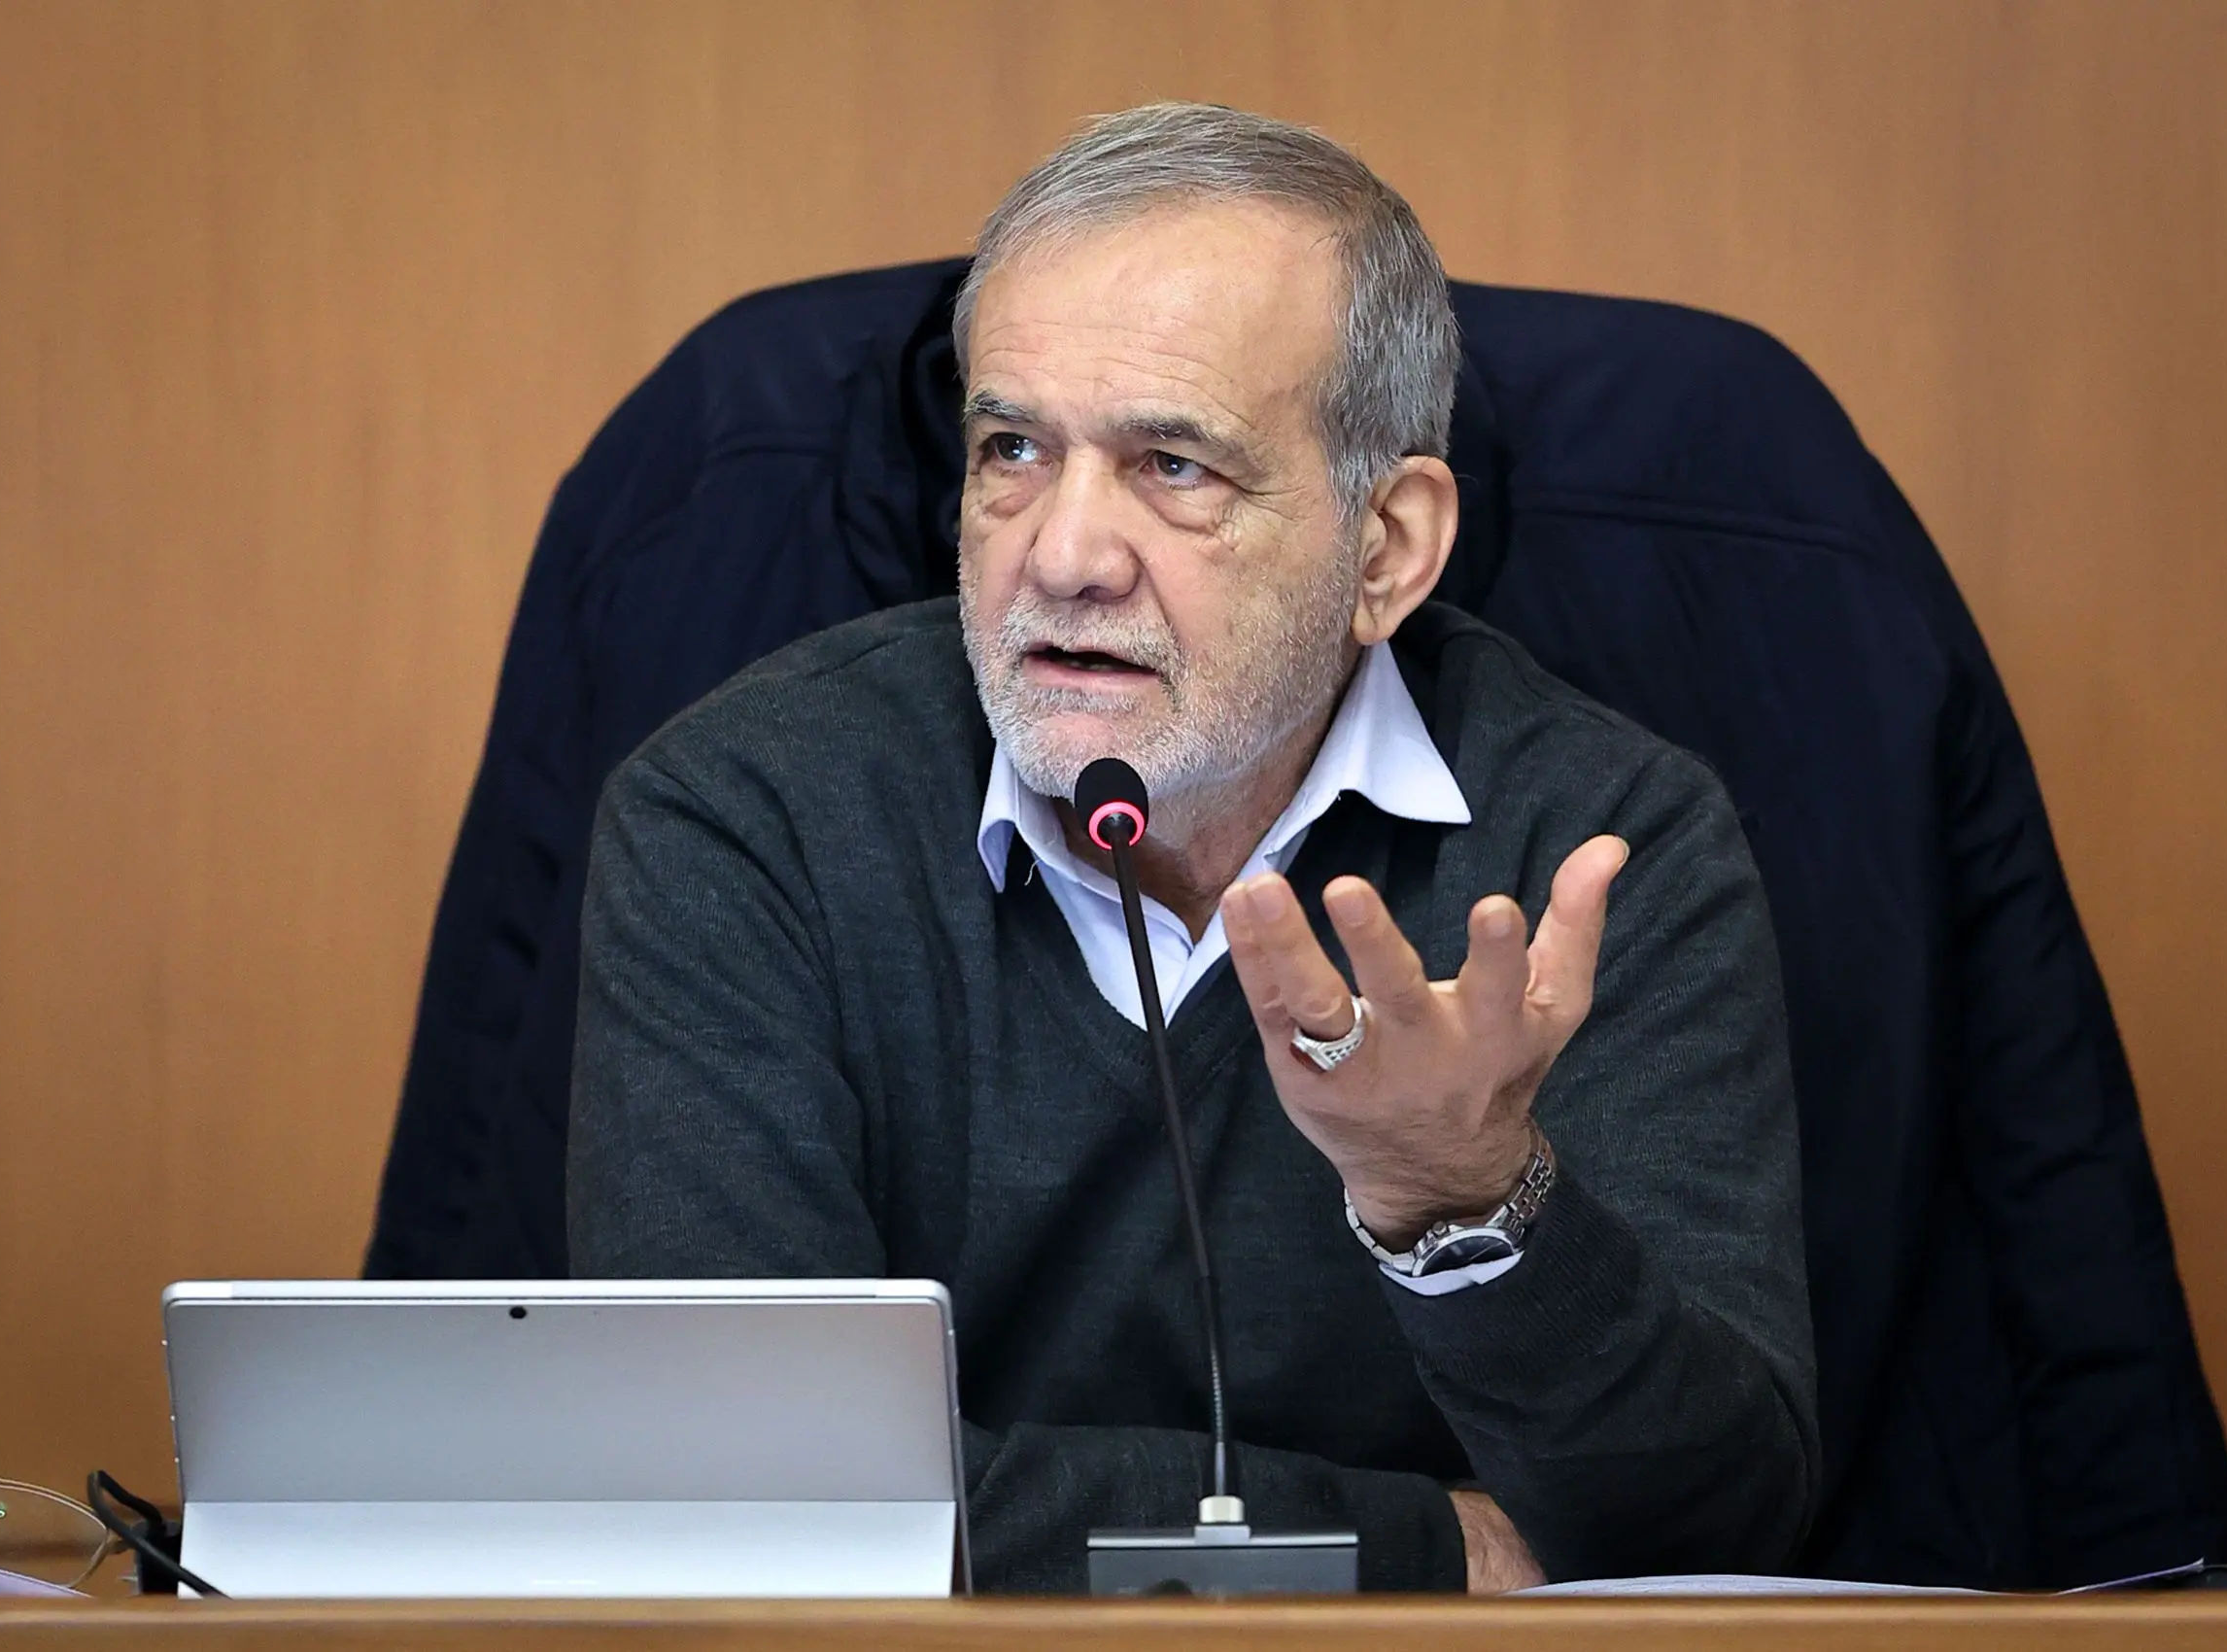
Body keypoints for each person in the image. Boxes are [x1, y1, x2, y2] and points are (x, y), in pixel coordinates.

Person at [567, 102, 1816, 1594]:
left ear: (1386, 547)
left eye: (1172, 466)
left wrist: (1464, 1201)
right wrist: (1432, 1543)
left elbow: (1712, 1535)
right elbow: (748, 1496)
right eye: (1011, 448)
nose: (1061, 554)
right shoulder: (746, 817)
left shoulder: (1596, 849)